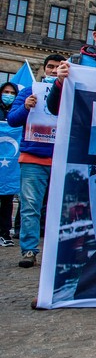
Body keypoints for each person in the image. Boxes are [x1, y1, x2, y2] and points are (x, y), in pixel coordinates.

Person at [7, 54, 63, 267]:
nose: (54, 70)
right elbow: (13, 120)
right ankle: (29, 251)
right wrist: (26, 107)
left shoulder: (69, 94)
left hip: (60, 159)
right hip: (33, 157)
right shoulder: (29, 92)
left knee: (59, 209)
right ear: (44, 69)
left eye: (59, 67)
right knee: (30, 206)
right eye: (51, 67)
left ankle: (55, 251)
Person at [0, 82, 19, 247]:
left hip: (9, 166)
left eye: (12, 93)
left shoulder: (17, 112)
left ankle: (4, 233)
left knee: (7, 199)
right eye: (6, 92)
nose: (9, 95)